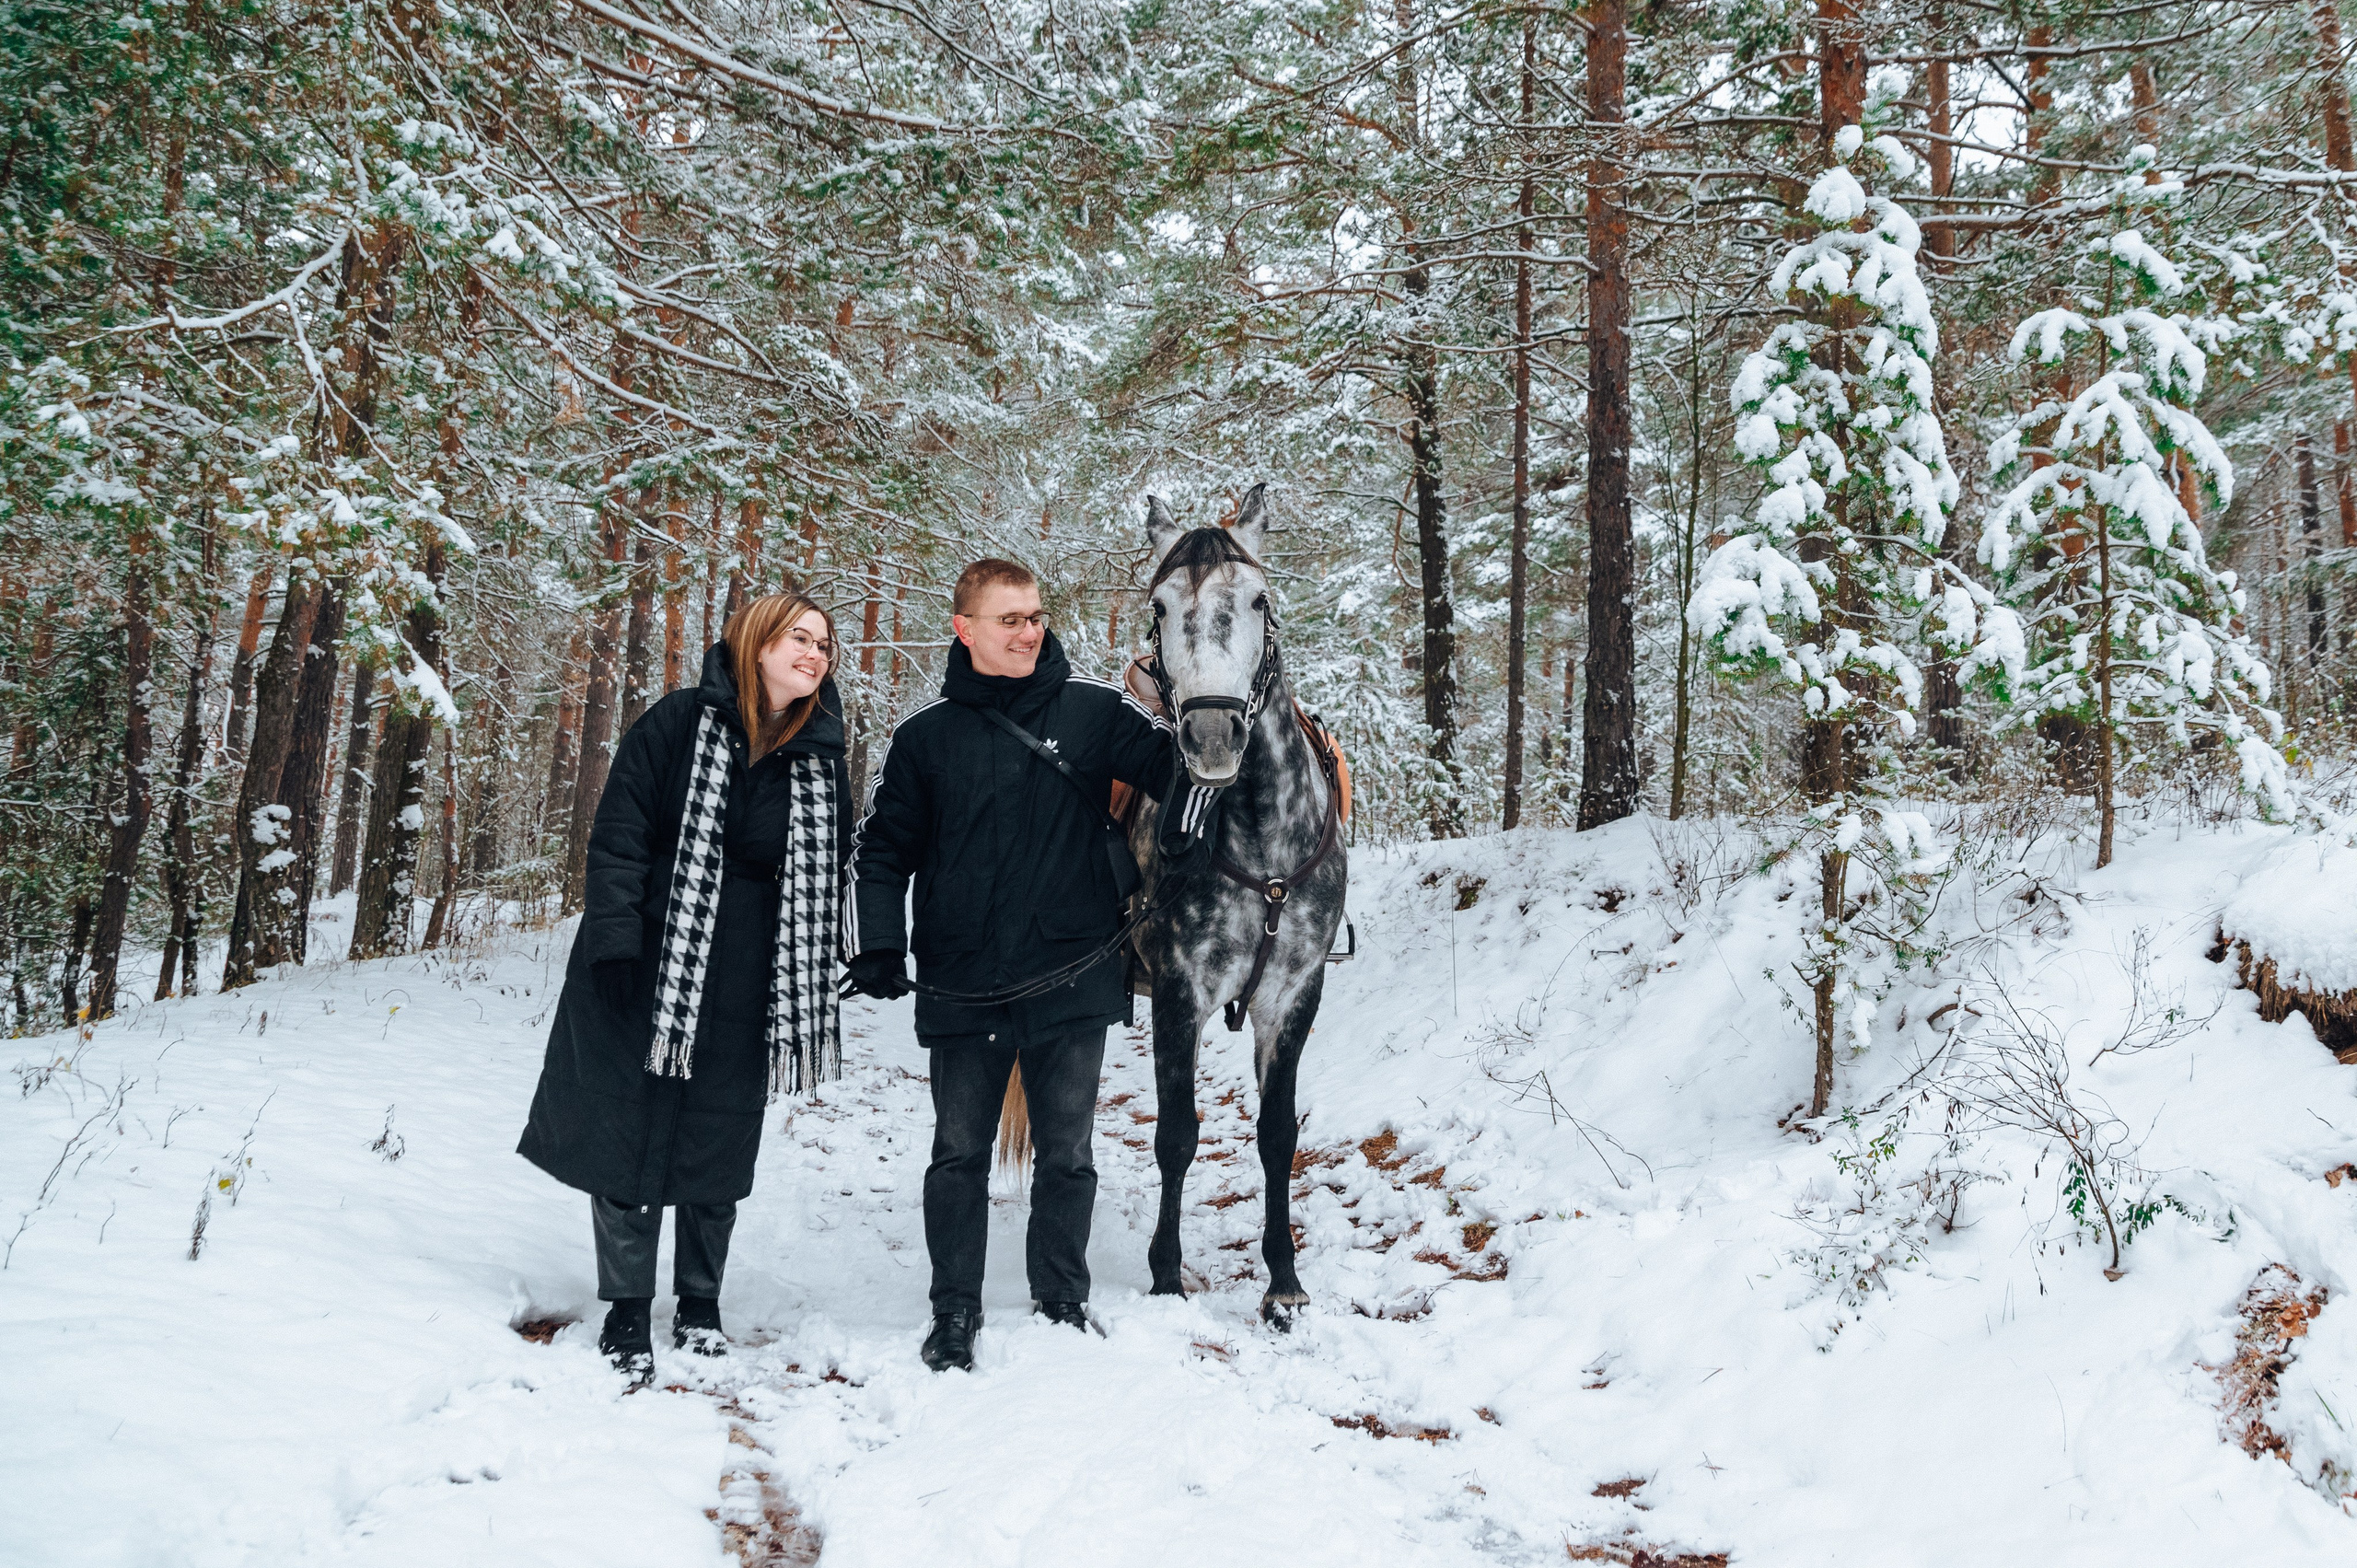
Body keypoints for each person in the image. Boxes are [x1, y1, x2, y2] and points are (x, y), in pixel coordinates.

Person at [844, 558, 1173, 1371]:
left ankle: (1061, 1298)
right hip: (963, 978)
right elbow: (883, 851)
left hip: (1074, 971)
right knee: (958, 1154)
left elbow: (1189, 775)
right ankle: (953, 1309)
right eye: (1010, 619)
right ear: (965, 629)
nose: (1030, 631)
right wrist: (882, 944)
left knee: (1069, 1153)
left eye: (1035, 616)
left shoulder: (1096, 714)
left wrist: (1218, 708)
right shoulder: (924, 739)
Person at [518, 591, 850, 1382]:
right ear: (754, 642)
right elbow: (621, 832)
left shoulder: (822, 751)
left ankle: (700, 1304)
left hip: (750, 973)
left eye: (826, 645)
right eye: (799, 637)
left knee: (719, 1133)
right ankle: (628, 1307)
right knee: (630, 1127)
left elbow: (824, 871)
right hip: (650, 958)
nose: (816, 653)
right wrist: (614, 937)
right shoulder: (674, 723)